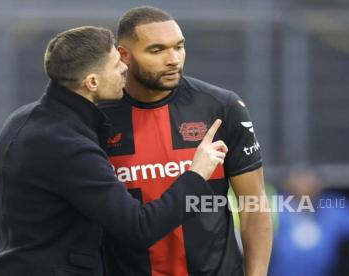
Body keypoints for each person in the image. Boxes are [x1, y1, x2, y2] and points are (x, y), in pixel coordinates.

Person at [0, 26, 228, 276]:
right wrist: (196, 174)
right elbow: (139, 227)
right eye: (115, 64)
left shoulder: (24, 118)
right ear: (91, 82)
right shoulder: (68, 146)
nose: (125, 67)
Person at [99, 6, 272, 276]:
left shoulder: (221, 106)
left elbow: (253, 204)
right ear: (124, 55)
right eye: (157, 50)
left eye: (179, 47)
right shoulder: (96, 117)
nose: (173, 59)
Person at [269, 167, 349, 276]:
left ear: (320, 185)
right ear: (287, 185)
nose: (305, 186)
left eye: (310, 181)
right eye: (299, 180)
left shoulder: (333, 210)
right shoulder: (274, 208)